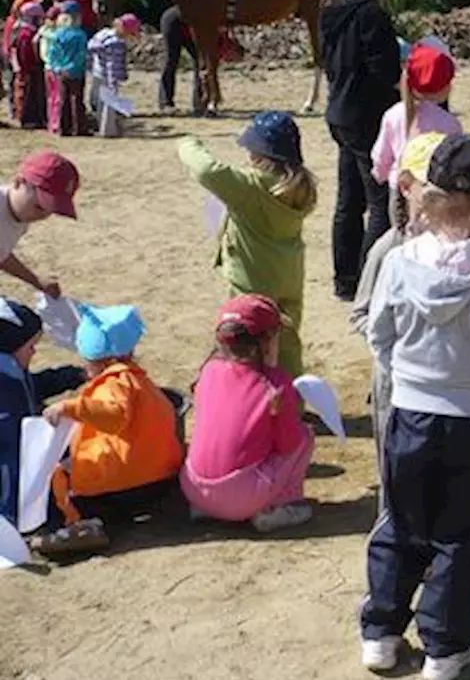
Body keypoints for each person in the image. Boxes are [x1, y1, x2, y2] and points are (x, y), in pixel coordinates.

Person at [360, 135, 470, 679]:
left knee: (400, 521)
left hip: (408, 415)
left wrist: (408, 375)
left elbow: (378, 333)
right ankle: (446, 647)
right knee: (463, 534)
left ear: (429, 198)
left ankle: (382, 633)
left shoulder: (398, 261)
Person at [33, 304, 183, 555]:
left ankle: (78, 525)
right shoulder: (137, 380)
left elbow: (114, 415)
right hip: (161, 476)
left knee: (58, 479)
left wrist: (71, 407)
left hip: (126, 484)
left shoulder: (114, 384)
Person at [178, 112, 318, 377]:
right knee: (286, 340)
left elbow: (206, 170)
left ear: (260, 156)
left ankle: (254, 399)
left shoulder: (248, 189)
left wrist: (187, 142)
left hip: (251, 281)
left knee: (249, 342)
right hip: (288, 276)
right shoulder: (301, 187)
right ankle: (292, 403)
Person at [349, 130, 446, 510]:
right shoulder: (388, 250)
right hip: (397, 382)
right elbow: (361, 312)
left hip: (444, 382)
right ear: (406, 187)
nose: (442, 198)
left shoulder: (464, 248)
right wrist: (396, 339)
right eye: (431, 187)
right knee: (400, 469)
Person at [180, 294, 314, 531]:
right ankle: (280, 508)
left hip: (194, 489)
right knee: (304, 436)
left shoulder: (207, 372)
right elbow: (288, 444)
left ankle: (207, 508)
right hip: (242, 497)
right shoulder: (275, 385)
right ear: (268, 342)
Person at [320, 0, 402, 302]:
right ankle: (372, 279)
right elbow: (384, 71)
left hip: (338, 111)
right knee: (381, 200)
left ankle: (345, 278)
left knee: (348, 201)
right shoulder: (371, 15)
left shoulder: (327, 13)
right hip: (368, 116)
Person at [0, 298, 86, 532]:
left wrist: (71, 376)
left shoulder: (11, 372)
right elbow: (11, 452)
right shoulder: (6, 390)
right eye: (30, 347)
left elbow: (32, 386)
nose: (35, 351)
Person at [371, 42, 463, 228]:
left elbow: (381, 155)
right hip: (434, 192)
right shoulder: (450, 123)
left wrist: (380, 173)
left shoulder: (393, 115)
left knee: (400, 240)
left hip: (399, 190)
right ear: (444, 88)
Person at [1, 151, 79, 298]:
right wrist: (35, 280)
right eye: (40, 207)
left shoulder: (20, 214)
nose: (43, 215)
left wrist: (36, 281)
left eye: (50, 210)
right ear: (19, 182)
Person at [87, 13, 141, 138]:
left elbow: (90, 48)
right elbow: (113, 64)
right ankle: (108, 131)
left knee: (99, 102)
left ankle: (100, 126)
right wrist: (115, 80)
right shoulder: (117, 43)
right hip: (109, 76)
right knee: (109, 104)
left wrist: (90, 66)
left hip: (97, 72)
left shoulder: (103, 34)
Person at [45, 4, 89, 137]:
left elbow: (52, 53)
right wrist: (72, 67)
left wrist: (57, 68)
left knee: (63, 100)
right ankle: (79, 128)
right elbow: (81, 55)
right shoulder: (80, 35)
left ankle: (64, 128)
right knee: (77, 99)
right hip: (76, 72)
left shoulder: (58, 35)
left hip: (61, 72)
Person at [9, 0, 47, 129]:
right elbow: (24, 54)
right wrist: (32, 66)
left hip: (29, 69)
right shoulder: (26, 34)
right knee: (28, 95)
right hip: (29, 70)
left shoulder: (23, 30)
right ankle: (29, 119)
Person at [157, 5, 199, 112]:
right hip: (173, 23)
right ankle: (166, 102)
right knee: (171, 59)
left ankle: (199, 100)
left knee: (201, 61)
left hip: (192, 27)